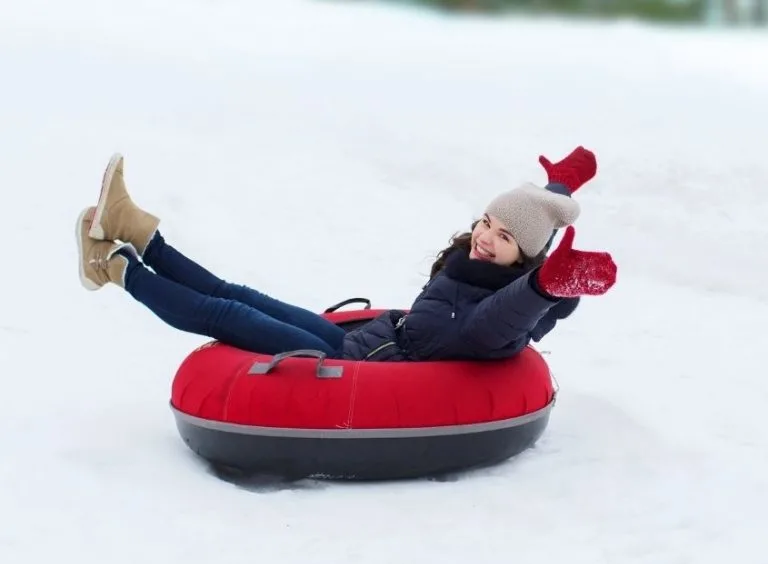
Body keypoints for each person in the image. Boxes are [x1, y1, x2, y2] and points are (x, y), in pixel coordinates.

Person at [76, 147, 616, 362]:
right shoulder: (472, 265)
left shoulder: (499, 319)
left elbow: (512, 310)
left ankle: (115, 269)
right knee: (239, 295)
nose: (485, 236)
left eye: (503, 237)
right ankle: (142, 237)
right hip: (362, 340)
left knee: (228, 316)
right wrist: (558, 189)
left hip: (355, 366)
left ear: (524, 260)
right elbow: (531, 227)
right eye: (487, 222)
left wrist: (548, 285)